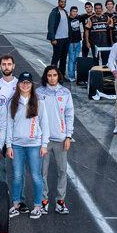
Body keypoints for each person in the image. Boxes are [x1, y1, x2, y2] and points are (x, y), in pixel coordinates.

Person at [4, 72, 47, 218]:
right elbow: (9, 125)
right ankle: (15, 204)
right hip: (17, 145)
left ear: (32, 85)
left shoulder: (38, 102)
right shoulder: (12, 102)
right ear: (18, 84)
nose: (25, 84)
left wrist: (44, 144)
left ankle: (37, 206)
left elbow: (44, 125)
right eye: (23, 82)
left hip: (34, 144)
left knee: (36, 176)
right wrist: (8, 145)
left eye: (28, 82)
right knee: (17, 176)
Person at [37, 65, 74, 215]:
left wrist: (68, 136)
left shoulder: (65, 93)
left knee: (62, 171)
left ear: (58, 76)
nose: (52, 78)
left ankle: (60, 202)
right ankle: (43, 201)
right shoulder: (38, 92)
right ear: (46, 77)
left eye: (54, 75)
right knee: (42, 172)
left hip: (60, 139)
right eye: (49, 75)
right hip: (44, 140)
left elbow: (69, 115)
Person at [47, 0, 71, 72]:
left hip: (66, 39)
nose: (63, 3)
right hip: (57, 39)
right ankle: (52, 74)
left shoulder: (65, 12)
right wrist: (52, 38)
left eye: (64, 2)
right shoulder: (54, 12)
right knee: (56, 58)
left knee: (64, 58)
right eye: (62, 2)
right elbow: (51, 26)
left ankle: (62, 75)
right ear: (58, 2)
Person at [65, 5, 83, 82]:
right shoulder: (67, 19)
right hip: (71, 43)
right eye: (73, 11)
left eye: (76, 11)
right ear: (70, 12)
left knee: (76, 59)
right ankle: (71, 75)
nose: (75, 13)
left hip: (78, 41)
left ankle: (74, 74)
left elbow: (86, 16)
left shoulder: (78, 18)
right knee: (71, 59)